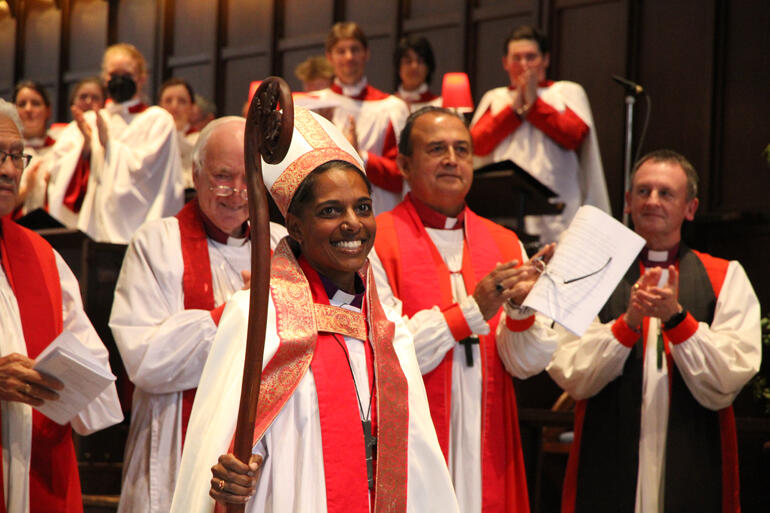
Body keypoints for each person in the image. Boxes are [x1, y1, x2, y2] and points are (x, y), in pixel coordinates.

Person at [169, 107, 460, 513]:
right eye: (330, 211)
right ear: (296, 227)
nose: (352, 223)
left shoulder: (391, 327)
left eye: (362, 207)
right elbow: (221, 452)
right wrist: (232, 480)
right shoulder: (259, 315)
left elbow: (420, 460)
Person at [547, 150, 761, 513]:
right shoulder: (592, 272)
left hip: (694, 455)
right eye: (643, 192)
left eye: (666, 193)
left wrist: (678, 320)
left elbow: (729, 376)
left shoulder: (726, 276)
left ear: (690, 208)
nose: (653, 201)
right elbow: (571, 371)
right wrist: (627, 324)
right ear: (627, 203)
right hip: (608, 454)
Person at [370, 106, 557, 513]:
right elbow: (385, 354)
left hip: (487, 435)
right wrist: (471, 310)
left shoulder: (505, 243)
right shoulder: (378, 241)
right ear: (403, 163)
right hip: (414, 435)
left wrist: (522, 313)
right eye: (436, 149)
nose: (452, 159)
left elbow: (524, 364)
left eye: (462, 149)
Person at [109, 116, 286, 513]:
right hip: (174, 438)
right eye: (223, 177)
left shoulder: (282, 246)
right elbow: (146, 362)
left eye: (248, 178)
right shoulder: (156, 242)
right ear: (196, 172)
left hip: (259, 448)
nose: (237, 193)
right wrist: (239, 310)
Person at [0, 98, 123, 513]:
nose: (10, 170)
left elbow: (89, 361)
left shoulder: (43, 256)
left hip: (34, 461)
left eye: (17, 156)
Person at [470, 26, 609, 243]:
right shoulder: (495, 98)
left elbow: (574, 136)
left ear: (545, 60)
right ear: (505, 63)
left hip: (558, 208)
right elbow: (476, 145)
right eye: (516, 58)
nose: (524, 65)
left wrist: (534, 104)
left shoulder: (566, 92)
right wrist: (514, 110)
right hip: (505, 209)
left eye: (531, 57)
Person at [47, 43, 183, 243]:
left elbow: (152, 178)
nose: (119, 80)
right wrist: (85, 149)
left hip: (141, 235)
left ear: (141, 78)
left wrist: (109, 147)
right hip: (93, 234)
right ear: (105, 78)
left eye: (126, 74)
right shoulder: (92, 120)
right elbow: (58, 176)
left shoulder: (157, 120)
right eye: (113, 74)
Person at [310, 22, 410, 214]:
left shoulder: (391, 108)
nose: (349, 57)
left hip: (380, 213)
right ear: (329, 57)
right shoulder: (315, 106)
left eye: (355, 50)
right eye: (341, 51)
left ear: (366, 54)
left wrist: (360, 156)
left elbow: (401, 176)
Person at [12, 81, 56, 215]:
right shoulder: (4, 152)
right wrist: (26, 190)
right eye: (22, 104)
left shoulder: (62, 149)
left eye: (36, 103)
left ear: (48, 111)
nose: (28, 109)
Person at [159, 77, 199, 189]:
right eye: (168, 101)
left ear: (192, 108)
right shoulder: (150, 144)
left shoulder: (200, 142)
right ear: (159, 106)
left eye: (182, 101)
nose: (174, 107)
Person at [394, 36, 441, 112]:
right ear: (398, 67)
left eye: (420, 61)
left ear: (428, 67)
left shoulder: (440, 106)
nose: (414, 67)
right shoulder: (386, 106)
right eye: (408, 61)